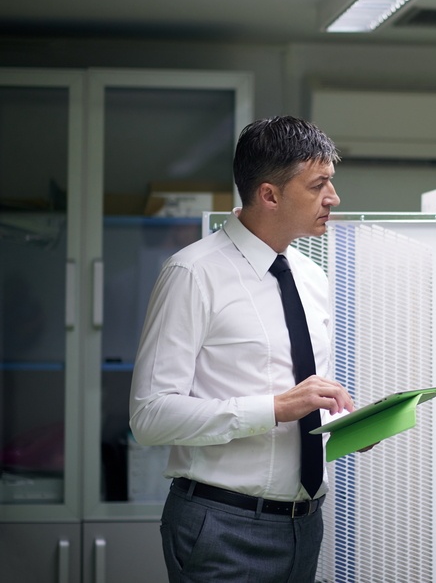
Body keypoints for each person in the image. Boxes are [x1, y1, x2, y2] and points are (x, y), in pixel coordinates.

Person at [129, 115, 355, 582]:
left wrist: (348, 427)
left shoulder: (312, 278)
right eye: (318, 186)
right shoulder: (192, 273)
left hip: (305, 525)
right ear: (269, 195)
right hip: (222, 526)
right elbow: (150, 417)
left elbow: (303, 410)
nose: (333, 198)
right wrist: (273, 408)